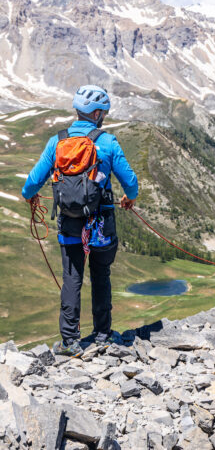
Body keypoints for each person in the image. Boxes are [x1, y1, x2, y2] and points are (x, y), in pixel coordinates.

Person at [22, 85, 138, 357]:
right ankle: (102, 336)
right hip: (101, 223)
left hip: (70, 222)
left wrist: (31, 197)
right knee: (101, 275)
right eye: (104, 112)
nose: (105, 117)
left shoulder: (57, 141)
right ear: (96, 113)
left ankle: (69, 342)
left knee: (72, 277)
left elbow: (31, 184)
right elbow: (130, 182)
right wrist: (129, 198)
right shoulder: (108, 142)